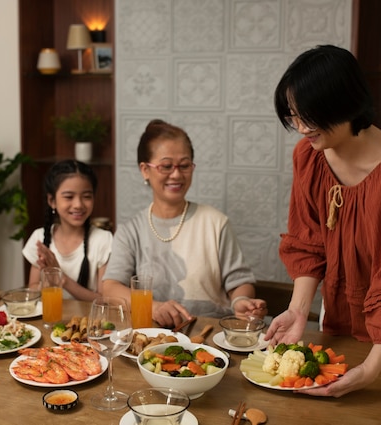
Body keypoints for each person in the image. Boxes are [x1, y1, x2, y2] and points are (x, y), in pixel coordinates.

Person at [264, 45, 381, 397]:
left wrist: (370, 371)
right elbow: (308, 240)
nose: (301, 129)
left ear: (345, 104)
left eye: (309, 117)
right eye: (294, 117)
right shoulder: (310, 156)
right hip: (338, 316)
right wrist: (298, 310)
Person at [101, 119, 267, 328]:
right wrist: (153, 307)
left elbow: (239, 281)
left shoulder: (216, 223)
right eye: (166, 166)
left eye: (185, 165)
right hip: (149, 339)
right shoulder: (130, 231)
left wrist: (241, 301)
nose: (177, 174)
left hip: (207, 338)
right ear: (145, 170)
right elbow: (110, 288)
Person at [23, 160, 112, 301]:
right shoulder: (39, 238)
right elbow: (32, 289)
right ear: (52, 200)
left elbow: (105, 300)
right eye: (69, 197)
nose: (78, 204)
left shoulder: (103, 240)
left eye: (87, 196)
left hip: (90, 321)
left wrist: (61, 278)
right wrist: (45, 284)